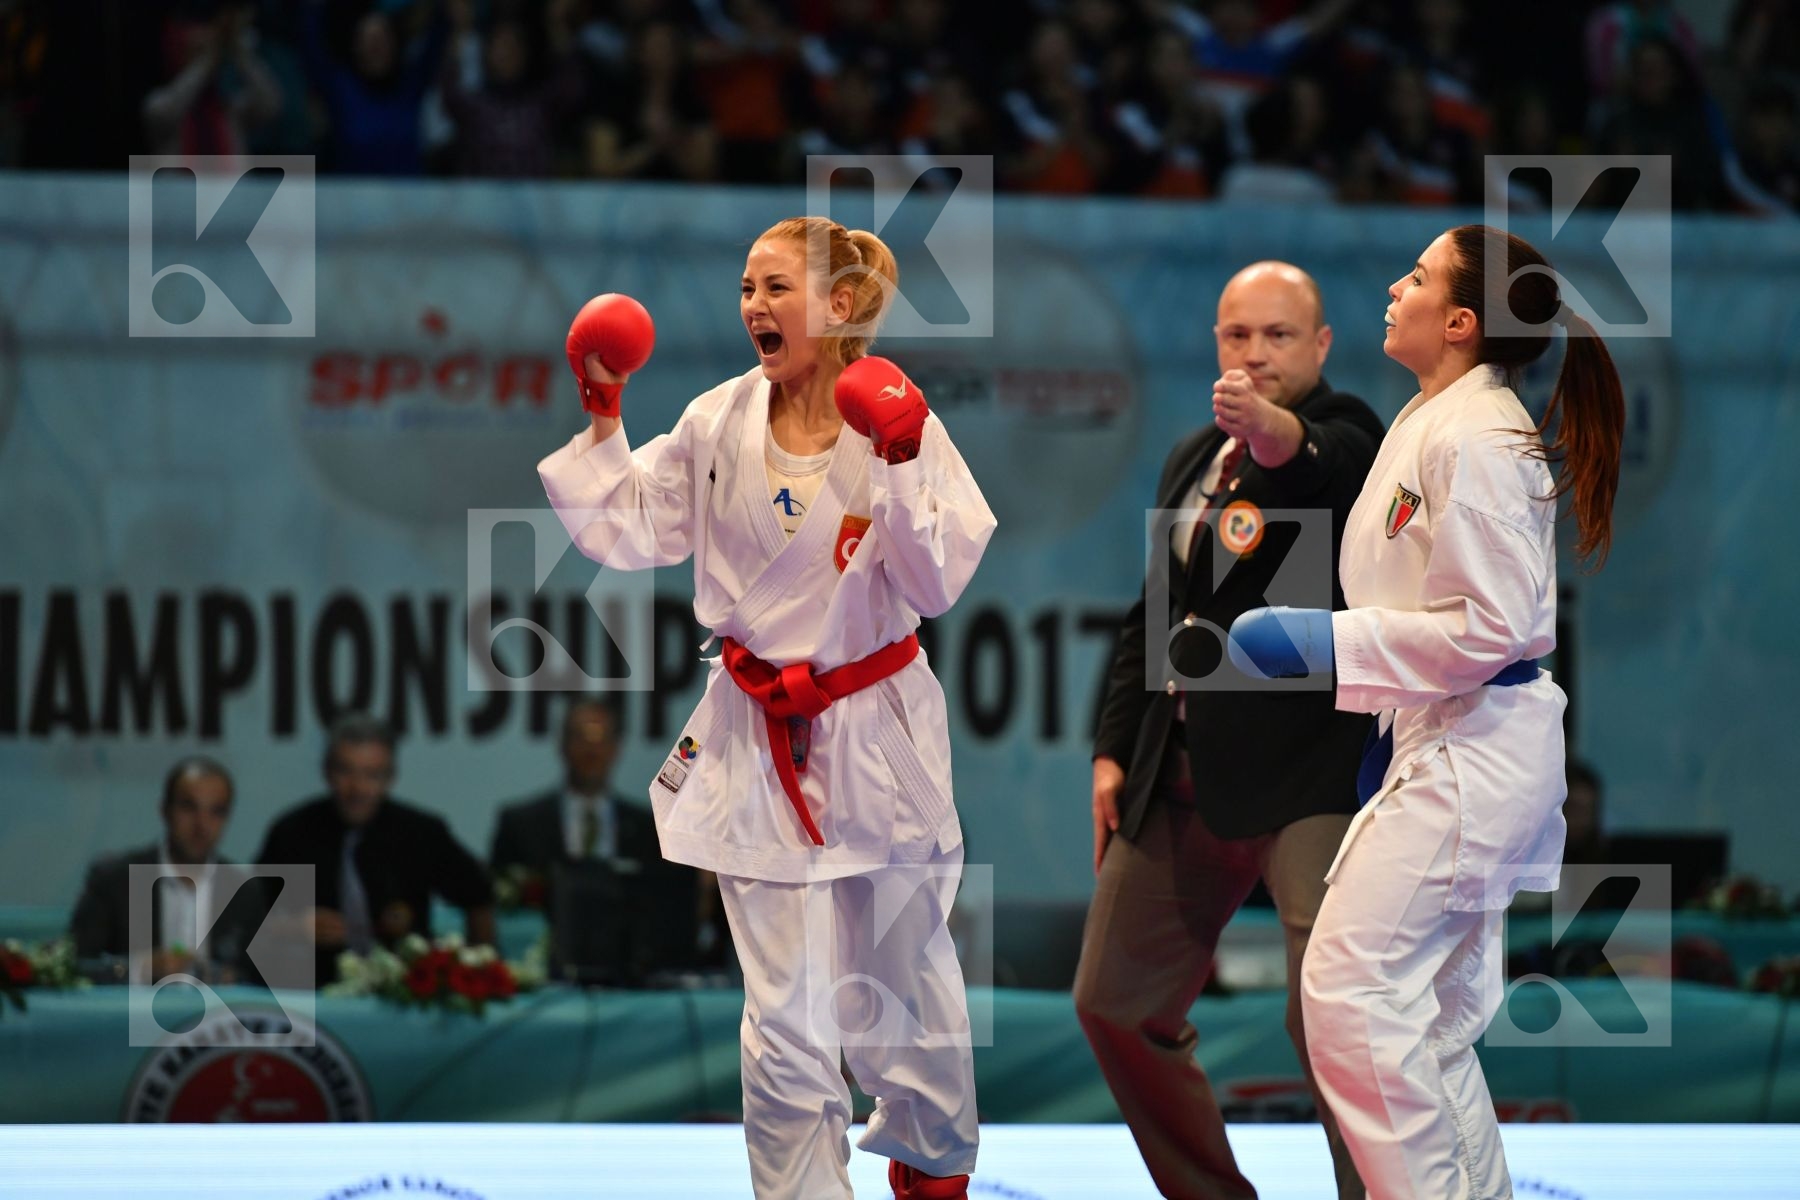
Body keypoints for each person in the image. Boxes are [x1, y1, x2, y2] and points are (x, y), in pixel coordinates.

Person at [537, 217, 994, 1200]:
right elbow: (627, 526)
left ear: (839, 306)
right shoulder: (714, 421)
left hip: (876, 726)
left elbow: (936, 580)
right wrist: (604, 412)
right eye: (747, 287)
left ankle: (934, 1165)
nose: (753, 306)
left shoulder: (899, 419)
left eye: (776, 287)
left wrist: (906, 454)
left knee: (902, 996)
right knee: (783, 1018)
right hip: (758, 730)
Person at [1230, 224, 1625, 1198]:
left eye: (1417, 276)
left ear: (1458, 320)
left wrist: (1333, 645)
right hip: (1447, 741)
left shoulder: (1479, 436)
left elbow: (1490, 627)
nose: (1394, 288)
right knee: (1430, 1021)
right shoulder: (1437, 416)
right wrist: (1382, 711)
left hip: (1476, 747)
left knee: (1352, 994)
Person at [1076, 261, 1381, 1200]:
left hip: (1309, 780)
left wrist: (1274, 431)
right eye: (1237, 335)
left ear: (1321, 346)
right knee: (1113, 1005)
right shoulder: (1190, 457)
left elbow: (1313, 463)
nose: (1254, 352)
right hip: (1180, 769)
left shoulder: (1352, 435)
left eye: (1278, 336)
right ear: (1215, 342)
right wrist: (1112, 749)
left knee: (1330, 1017)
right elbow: (1153, 617)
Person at [258, 713, 495, 986]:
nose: (357, 788)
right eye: (345, 771)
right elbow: (251, 917)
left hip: (404, 994)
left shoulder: (422, 832)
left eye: (372, 775)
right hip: (310, 991)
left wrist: (475, 973)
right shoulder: (292, 832)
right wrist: (294, 928)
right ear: (326, 772)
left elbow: (479, 896)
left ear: (390, 778)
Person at [69, 756, 260, 985]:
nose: (202, 825)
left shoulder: (244, 890)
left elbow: (263, 979)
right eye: (189, 808)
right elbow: (74, 965)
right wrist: (140, 969)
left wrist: (233, 979)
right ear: (164, 810)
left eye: (216, 812)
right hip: (128, 1018)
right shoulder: (115, 880)